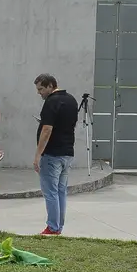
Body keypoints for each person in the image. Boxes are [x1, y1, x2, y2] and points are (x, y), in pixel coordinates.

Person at [34, 73, 78, 236]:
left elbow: (47, 129)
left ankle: (52, 227)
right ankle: (58, 226)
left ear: (50, 86)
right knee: (60, 191)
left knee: (51, 191)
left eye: (41, 89)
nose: (39, 93)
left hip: (52, 153)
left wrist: (38, 155)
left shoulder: (51, 102)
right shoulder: (71, 100)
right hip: (67, 151)